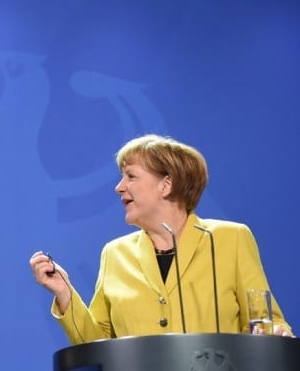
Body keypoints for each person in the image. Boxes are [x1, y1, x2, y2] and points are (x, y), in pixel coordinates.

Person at [30, 134, 293, 344]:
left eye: (131, 176)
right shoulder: (114, 254)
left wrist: (277, 335)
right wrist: (64, 292)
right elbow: (99, 347)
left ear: (166, 185)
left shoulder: (229, 238)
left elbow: (265, 322)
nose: (119, 187)